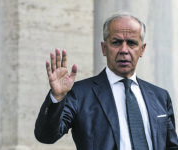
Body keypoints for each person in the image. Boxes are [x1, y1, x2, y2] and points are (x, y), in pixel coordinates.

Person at [34, 13, 178, 150]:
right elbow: (46, 136)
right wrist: (57, 98)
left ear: (142, 49)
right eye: (116, 42)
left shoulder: (160, 96)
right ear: (104, 48)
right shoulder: (80, 94)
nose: (124, 50)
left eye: (132, 43)